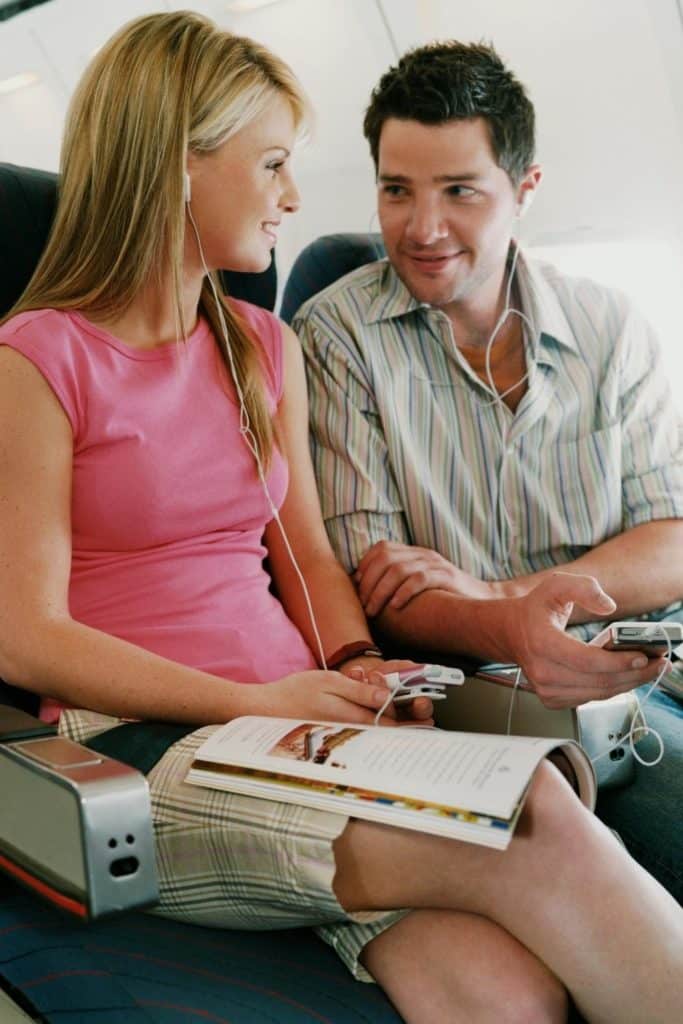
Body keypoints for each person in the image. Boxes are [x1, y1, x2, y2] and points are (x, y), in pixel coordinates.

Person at [0, 15, 681, 1024]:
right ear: (175, 166)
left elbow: (308, 558)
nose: (289, 196)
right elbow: (27, 635)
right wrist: (254, 700)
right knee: (530, 812)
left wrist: (358, 662)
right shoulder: (38, 357)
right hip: (145, 745)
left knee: (505, 988)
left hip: (299, 721)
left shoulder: (260, 348)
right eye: (271, 163)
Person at [293, 40, 683, 901]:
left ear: (524, 190)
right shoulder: (334, 336)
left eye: (459, 191)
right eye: (397, 190)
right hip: (495, 696)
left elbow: (673, 539)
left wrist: (505, 593)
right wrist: (509, 627)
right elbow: (376, 582)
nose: (421, 228)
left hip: (647, 650)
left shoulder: (611, 328)